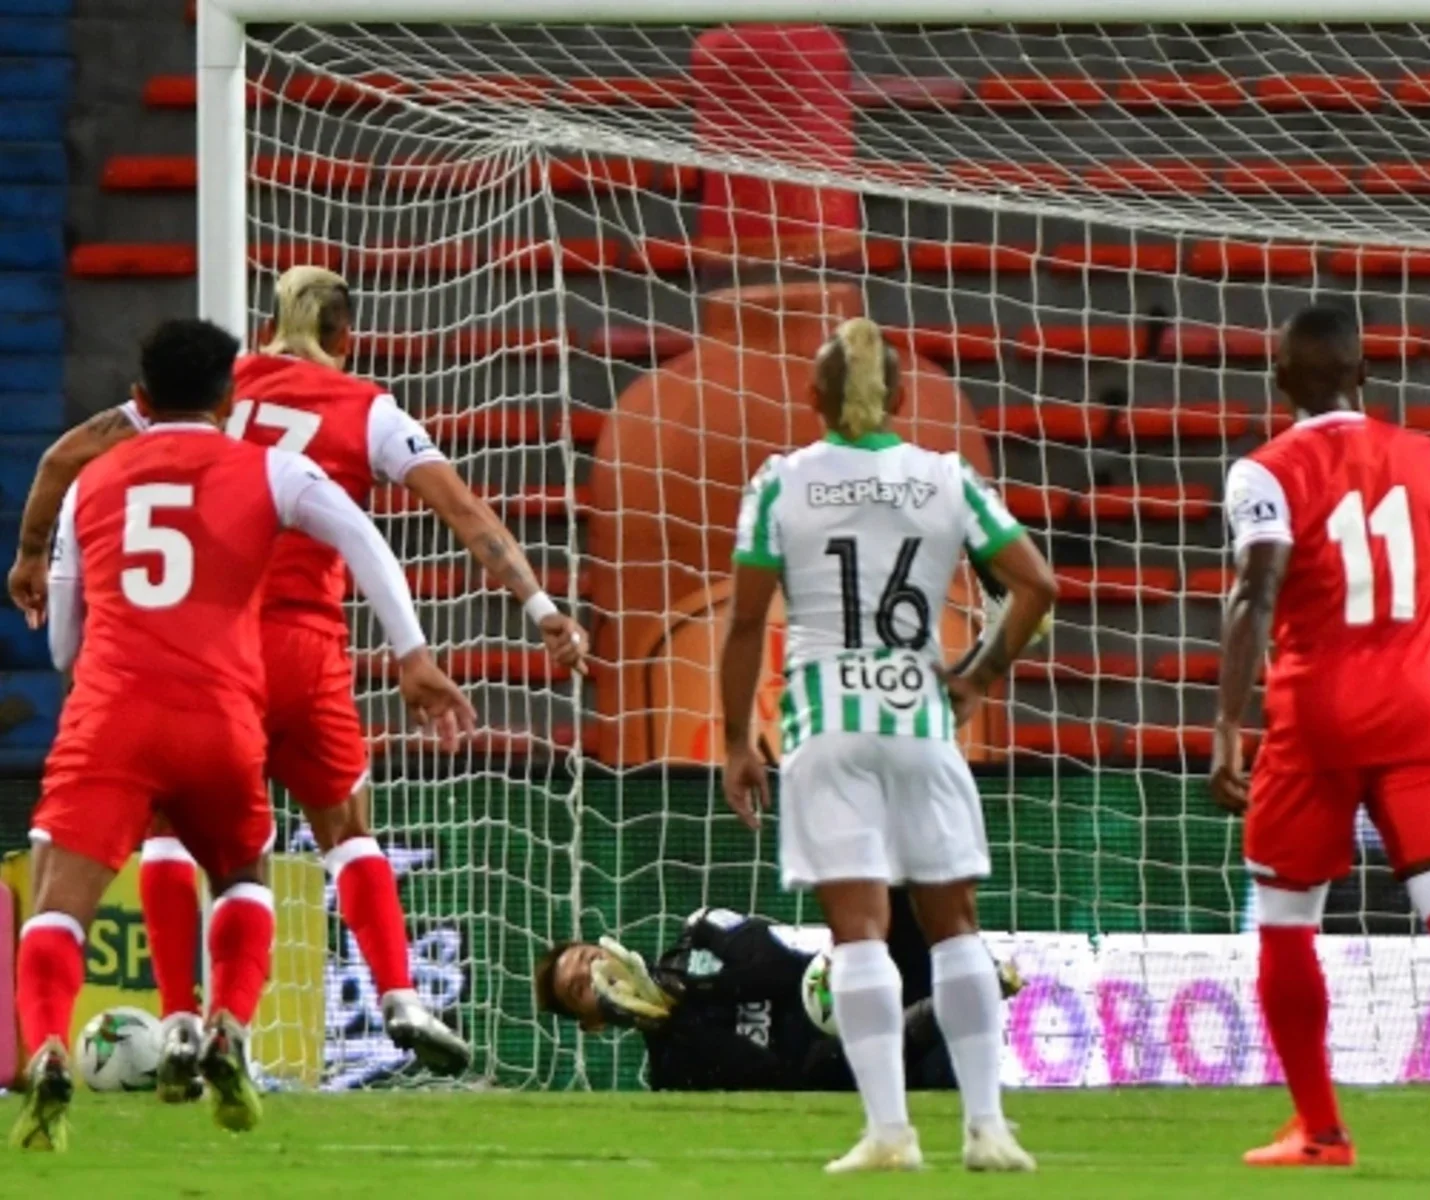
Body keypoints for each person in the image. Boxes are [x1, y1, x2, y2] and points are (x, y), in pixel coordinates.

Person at [6, 265, 588, 1084]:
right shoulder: (367, 409)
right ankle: (398, 995)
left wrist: (33, 555)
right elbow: (460, 510)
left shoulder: (209, 388)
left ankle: (178, 1016)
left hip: (193, 652)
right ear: (346, 336)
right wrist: (535, 607)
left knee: (171, 828)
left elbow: (69, 455)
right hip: (305, 650)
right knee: (346, 831)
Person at [717, 318, 1057, 1173]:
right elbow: (1037, 584)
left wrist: (734, 742)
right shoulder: (947, 479)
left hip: (827, 727)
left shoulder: (779, 483)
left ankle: (890, 1134)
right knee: (954, 928)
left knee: (860, 932)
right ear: (901, 398)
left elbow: (747, 621)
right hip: (921, 723)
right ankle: (988, 1129)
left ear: (813, 398)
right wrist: (977, 676)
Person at [1210, 303, 1430, 1170]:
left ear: (1279, 381)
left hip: (1315, 712)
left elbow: (1256, 594)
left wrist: (1230, 724)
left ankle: (1321, 1127)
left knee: (1285, 918)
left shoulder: (1263, 473)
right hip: (1421, 705)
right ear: (1365, 375)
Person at [534, 904, 1021, 1092]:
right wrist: (674, 1023)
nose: (600, 976)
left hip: (877, 989)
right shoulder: (670, 1072)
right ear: (592, 1024)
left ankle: (960, 972)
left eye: (591, 958)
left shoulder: (699, 938)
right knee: (816, 1069)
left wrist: (693, 990)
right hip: (892, 1072)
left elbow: (784, 968)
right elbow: (775, 1079)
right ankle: (956, 1001)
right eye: (584, 988)